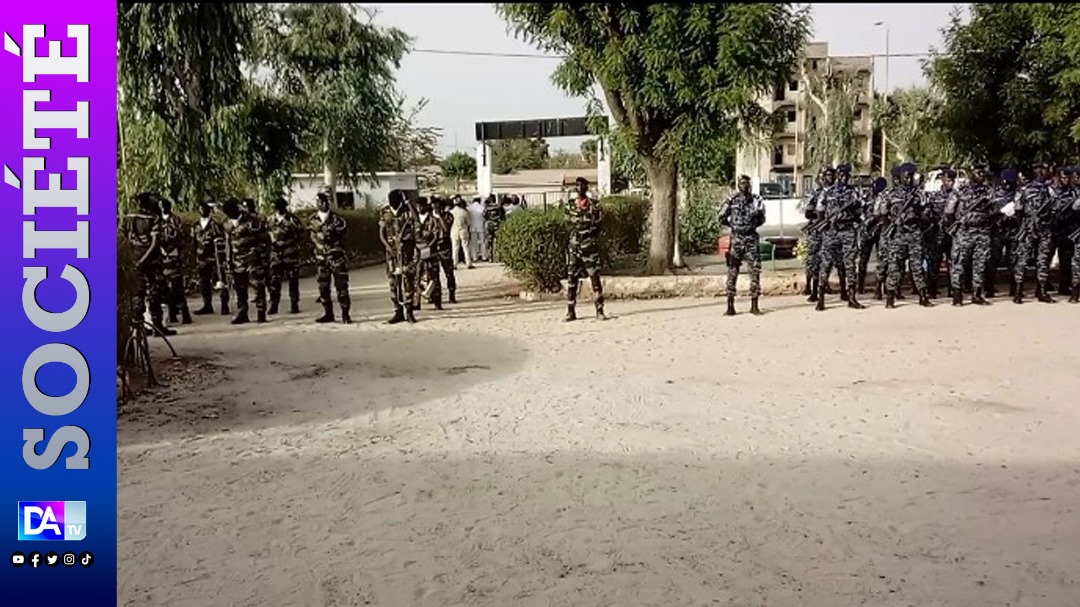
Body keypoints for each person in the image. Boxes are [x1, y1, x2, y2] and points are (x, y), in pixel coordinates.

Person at [879, 162, 932, 308]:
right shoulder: (891, 194)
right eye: (905, 177)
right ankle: (890, 297)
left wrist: (920, 213)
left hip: (914, 233)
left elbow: (927, 215)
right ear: (900, 177)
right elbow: (883, 214)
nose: (908, 180)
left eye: (910, 177)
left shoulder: (919, 194)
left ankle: (923, 296)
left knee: (917, 266)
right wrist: (889, 227)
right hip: (898, 234)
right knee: (894, 267)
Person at [121, 192, 174, 336]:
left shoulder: (127, 218)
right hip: (151, 261)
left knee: (138, 293)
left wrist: (132, 259)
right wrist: (144, 259)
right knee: (154, 293)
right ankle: (157, 326)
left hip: (134, 259)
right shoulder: (153, 219)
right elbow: (155, 244)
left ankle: (138, 325)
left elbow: (122, 239)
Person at [815, 163, 865, 310]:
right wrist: (825, 221)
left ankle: (851, 298)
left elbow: (860, 210)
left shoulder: (853, 193)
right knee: (826, 264)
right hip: (831, 231)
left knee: (849, 264)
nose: (842, 178)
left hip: (848, 231)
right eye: (840, 175)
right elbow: (819, 210)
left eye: (845, 175)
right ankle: (820, 298)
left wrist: (853, 217)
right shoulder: (827, 193)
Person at [944, 164, 993, 306]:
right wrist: (956, 227)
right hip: (964, 232)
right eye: (978, 173)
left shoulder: (988, 192)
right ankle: (957, 295)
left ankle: (977, 294)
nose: (981, 176)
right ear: (972, 174)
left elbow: (993, 210)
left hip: (981, 232)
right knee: (959, 263)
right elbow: (949, 212)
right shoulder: (960, 192)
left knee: (980, 264)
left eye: (983, 174)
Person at [718, 175, 766, 315]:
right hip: (737, 239)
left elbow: (762, 218)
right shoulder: (731, 200)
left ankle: (754, 304)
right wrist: (733, 226)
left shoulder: (756, 200)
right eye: (742, 183)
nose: (744, 186)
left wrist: (750, 226)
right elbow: (721, 216)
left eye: (746, 183)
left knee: (754, 270)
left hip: (751, 238)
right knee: (732, 270)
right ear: (738, 185)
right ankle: (730, 305)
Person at [1012, 161, 1056, 303]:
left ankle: (1042, 290)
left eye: (1044, 170)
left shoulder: (1050, 190)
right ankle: (1018, 290)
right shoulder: (1024, 190)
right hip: (1028, 228)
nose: (1044, 172)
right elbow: (1018, 211)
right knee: (1022, 259)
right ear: (1037, 171)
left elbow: (1054, 209)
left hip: (1044, 229)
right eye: (1041, 170)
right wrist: (1022, 227)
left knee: (1043, 260)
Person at [221, 198, 270, 324]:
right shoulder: (227, 224)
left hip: (253, 260)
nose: (230, 215)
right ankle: (242, 312)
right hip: (237, 261)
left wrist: (262, 255)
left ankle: (261, 312)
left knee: (258, 287)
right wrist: (228, 260)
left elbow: (264, 239)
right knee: (240, 289)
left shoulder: (252, 221)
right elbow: (228, 243)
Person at [565, 177, 606, 321]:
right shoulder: (570, 206)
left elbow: (600, 225)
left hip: (589, 247)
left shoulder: (594, 206)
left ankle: (599, 310)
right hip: (574, 247)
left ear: (587, 188)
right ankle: (571, 311)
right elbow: (567, 225)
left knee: (595, 278)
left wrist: (590, 235)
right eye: (577, 186)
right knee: (571, 279)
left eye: (583, 185)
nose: (580, 188)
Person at [308, 187, 351, 323]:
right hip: (321, 259)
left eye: (325, 201)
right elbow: (311, 237)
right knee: (323, 288)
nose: (323, 204)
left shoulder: (338, 220)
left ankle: (345, 314)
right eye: (321, 202)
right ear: (317, 204)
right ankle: (328, 313)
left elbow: (344, 237)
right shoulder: (312, 220)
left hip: (336, 259)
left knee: (341, 287)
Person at [379, 189, 418, 324]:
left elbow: (416, 219)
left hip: (406, 253)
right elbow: (381, 232)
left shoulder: (406, 210)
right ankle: (397, 311)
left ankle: (409, 312)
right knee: (393, 283)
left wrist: (409, 204)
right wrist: (388, 247)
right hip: (392, 254)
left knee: (408, 281)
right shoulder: (384, 212)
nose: (393, 203)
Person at [191, 200, 231, 316]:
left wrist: (223, 259)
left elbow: (221, 242)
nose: (202, 211)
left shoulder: (215, 225)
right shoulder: (196, 225)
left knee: (220, 281)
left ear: (209, 210)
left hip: (215, 258)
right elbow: (193, 242)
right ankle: (207, 305)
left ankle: (225, 305)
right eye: (200, 209)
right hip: (201, 258)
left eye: (205, 209)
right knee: (204, 282)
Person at [156, 197, 192, 325]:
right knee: (164, 287)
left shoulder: (175, 220)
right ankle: (171, 314)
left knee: (177, 286)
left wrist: (173, 248)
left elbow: (181, 236)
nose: (162, 208)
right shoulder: (157, 220)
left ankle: (184, 312)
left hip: (174, 255)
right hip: (161, 255)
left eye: (164, 206)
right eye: (160, 206)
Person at [800, 166, 833, 302]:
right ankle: (811, 287)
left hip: (830, 230)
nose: (827, 178)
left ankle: (824, 284)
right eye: (824, 176)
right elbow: (808, 213)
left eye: (830, 175)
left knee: (828, 259)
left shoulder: (835, 192)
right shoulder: (814, 193)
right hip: (817, 230)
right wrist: (821, 215)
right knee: (813, 260)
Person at [924, 167, 958, 299]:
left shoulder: (958, 196)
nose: (950, 182)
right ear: (942, 180)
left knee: (954, 263)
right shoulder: (934, 197)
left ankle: (953, 290)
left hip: (952, 235)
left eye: (952, 180)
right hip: (937, 235)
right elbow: (927, 214)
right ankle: (932, 290)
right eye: (947, 180)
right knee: (934, 263)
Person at [267, 197, 304, 315]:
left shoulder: (292, 219)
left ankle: (294, 304)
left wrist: (293, 242)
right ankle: (274, 304)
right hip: (276, 255)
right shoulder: (271, 219)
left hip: (290, 254)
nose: (278, 209)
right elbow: (266, 234)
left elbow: (301, 232)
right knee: (274, 281)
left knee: (293, 280)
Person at [415, 197, 448, 310]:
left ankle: (437, 302)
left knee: (434, 277)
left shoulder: (433, 219)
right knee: (417, 277)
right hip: (418, 252)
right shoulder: (414, 220)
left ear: (425, 206)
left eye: (421, 206)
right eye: (417, 206)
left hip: (431, 251)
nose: (419, 208)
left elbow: (437, 235)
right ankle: (416, 302)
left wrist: (428, 247)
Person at [857, 176, 888, 296]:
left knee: (882, 259)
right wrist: (865, 222)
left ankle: (880, 287)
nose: (876, 188)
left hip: (880, 232)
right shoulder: (865, 196)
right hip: (867, 231)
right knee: (863, 259)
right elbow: (859, 212)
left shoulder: (885, 197)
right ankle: (860, 286)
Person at [1052, 166, 1077, 296]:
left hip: (1075, 230)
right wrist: (1072, 210)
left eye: (1069, 177)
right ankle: (1064, 285)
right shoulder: (1055, 193)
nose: (1067, 180)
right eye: (1064, 177)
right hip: (1063, 232)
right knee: (1065, 260)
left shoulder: (1074, 192)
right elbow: (1057, 215)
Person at [434, 197, 460, 303]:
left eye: (438, 206)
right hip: (434, 248)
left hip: (445, 248)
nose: (436, 208)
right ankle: (435, 297)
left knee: (449, 273)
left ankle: (452, 294)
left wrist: (439, 217)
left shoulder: (448, 216)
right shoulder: (431, 217)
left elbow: (446, 229)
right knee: (434, 274)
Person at [449, 195, 474, 269]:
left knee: (455, 248)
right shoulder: (464, 212)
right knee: (466, 248)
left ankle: (454, 264)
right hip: (463, 231)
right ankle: (468, 263)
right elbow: (468, 222)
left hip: (454, 231)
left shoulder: (451, 212)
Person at [482, 194, 506, 262]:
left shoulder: (487, 207)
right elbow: (503, 216)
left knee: (489, 242)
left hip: (489, 226)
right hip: (497, 225)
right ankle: (499, 257)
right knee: (499, 241)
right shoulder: (499, 207)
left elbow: (484, 216)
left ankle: (490, 257)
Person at [467, 196, 486, 261]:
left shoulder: (469, 208)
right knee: (482, 242)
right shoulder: (482, 207)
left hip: (472, 226)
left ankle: (474, 257)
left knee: (473, 242)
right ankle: (484, 256)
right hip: (481, 226)